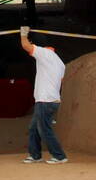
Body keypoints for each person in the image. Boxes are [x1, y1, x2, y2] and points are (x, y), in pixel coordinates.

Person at [19, 26, 68, 164]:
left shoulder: (43, 53)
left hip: (45, 100)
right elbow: (62, 81)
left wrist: (23, 34)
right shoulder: (59, 62)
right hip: (50, 99)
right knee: (34, 127)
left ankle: (59, 156)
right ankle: (35, 155)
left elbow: (26, 46)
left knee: (44, 130)